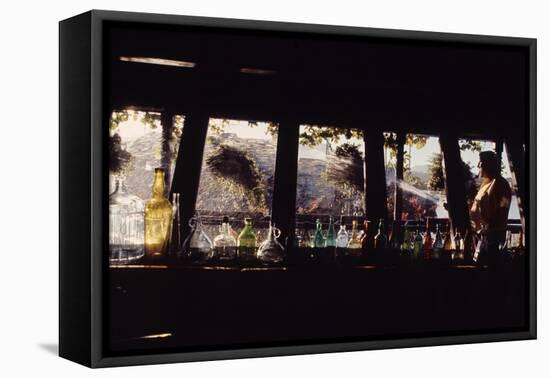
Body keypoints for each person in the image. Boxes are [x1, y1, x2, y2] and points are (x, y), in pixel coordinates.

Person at [469, 151, 512, 264]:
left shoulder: (501, 185)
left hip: (491, 242)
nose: (479, 166)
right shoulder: (487, 183)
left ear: (490, 165)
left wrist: (485, 228)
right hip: (480, 238)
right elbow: (479, 206)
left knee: (487, 274)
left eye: (481, 163)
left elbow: (499, 210)